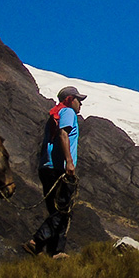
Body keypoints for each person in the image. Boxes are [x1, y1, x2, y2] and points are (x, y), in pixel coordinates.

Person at [24, 85, 85, 258]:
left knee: (57, 211)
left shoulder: (55, 114)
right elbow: (63, 135)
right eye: (78, 100)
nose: (80, 104)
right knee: (63, 209)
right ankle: (37, 241)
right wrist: (69, 162)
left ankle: (55, 253)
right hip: (58, 167)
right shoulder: (67, 113)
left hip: (46, 167)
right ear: (69, 99)